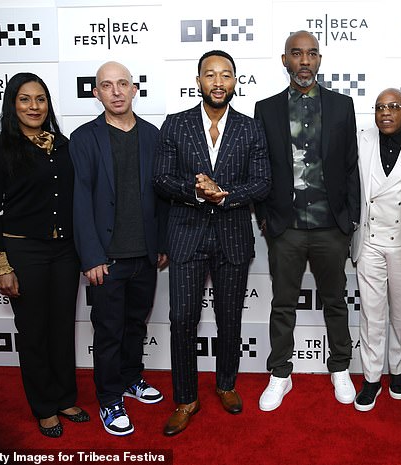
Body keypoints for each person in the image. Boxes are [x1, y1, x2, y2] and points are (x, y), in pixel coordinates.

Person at [154, 50, 271, 436]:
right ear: (199, 80)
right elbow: (162, 178)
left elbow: (262, 183)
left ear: (235, 81)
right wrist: (197, 190)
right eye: (210, 75)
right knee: (182, 319)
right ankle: (186, 398)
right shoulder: (175, 124)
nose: (218, 82)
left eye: (226, 75)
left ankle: (226, 384)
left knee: (230, 319)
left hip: (233, 236)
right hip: (187, 236)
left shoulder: (251, 128)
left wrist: (225, 194)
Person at [0, 72, 89, 438]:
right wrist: (1, 265)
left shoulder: (63, 145)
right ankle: (43, 406)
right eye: (25, 99)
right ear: (12, 104)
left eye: (40, 99)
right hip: (23, 251)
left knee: (61, 327)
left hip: (65, 251)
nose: (34, 106)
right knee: (33, 330)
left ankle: (65, 397)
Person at [254, 30, 360, 411]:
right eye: (296, 54)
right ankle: (280, 374)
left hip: (331, 226)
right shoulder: (264, 109)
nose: (304, 61)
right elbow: (260, 167)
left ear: (319, 59)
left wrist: (350, 220)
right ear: (285, 60)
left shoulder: (341, 105)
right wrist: (265, 218)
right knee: (283, 304)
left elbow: (350, 165)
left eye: (311, 54)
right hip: (286, 228)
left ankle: (340, 369)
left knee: (336, 302)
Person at [70, 61, 167, 436]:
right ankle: (110, 399)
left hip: (144, 255)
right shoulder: (84, 138)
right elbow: (79, 200)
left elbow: (161, 197)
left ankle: (131, 379)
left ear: (134, 89)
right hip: (105, 260)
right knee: (108, 332)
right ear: (96, 93)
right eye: (107, 85)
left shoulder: (153, 136)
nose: (115, 91)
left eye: (122, 83)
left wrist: (159, 244)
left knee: (135, 326)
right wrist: (91, 256)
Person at [351, 88, 401, 412]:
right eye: (380, 107)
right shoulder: (361, 139)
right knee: (371, 316)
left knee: (400, 315)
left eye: (394, 106)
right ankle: (370, 379)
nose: (386, 112)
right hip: (369, 242)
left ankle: (397, 372)